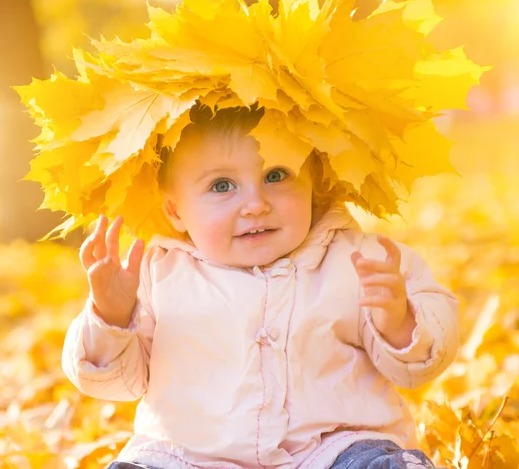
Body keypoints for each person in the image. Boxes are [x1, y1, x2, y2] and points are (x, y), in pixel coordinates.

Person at [62, 103, 459, 469]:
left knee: (379, 463)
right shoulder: (157, 274)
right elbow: (117, 382)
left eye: (275, 176)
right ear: (174, 209)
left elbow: (422, 365)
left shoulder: (361, 261)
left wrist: (399, 320)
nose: (255, 203)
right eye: (221, 186)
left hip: (332, 452)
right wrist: (110, 317)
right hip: (190, 456)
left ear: (314, 182)